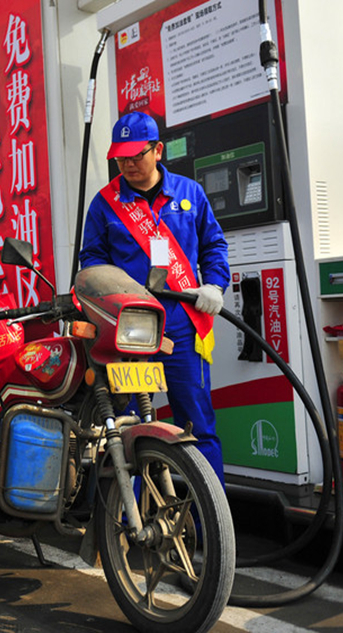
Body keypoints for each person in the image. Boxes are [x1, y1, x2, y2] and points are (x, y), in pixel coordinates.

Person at [79, 111, 230, 484]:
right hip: (127, 329)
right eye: (121, 158)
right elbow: (92, 260)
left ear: (158, 150)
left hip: (180, 324)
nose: (128, 164)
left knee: (196, 425)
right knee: (121, 427)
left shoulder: (189, 193)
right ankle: (122, 527)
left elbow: (214, 246)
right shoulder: (105, 203)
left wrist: (214, 285)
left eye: (137, 156)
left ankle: (205, 529)